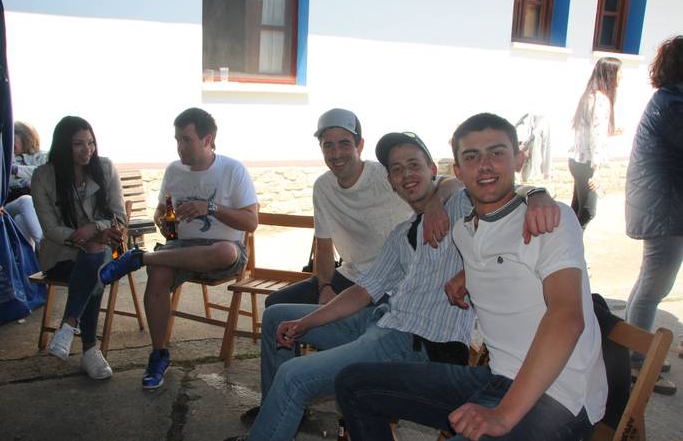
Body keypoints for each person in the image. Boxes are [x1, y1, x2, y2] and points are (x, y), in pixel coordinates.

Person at [224, 131, 561, 441]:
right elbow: (363, 291)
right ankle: (278, 416)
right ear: (391, 182)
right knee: (278, 316)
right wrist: (306, 322)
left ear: (433, 169)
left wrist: (537, 193)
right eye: (397, 169)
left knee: (294, 375)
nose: (406, 174)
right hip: (381, 322)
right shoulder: (402, 234)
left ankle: (273, 422)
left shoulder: (460, 206)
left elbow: (497, 189)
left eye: (414, 165)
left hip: (415, 342)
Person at [336, 113, 607, 441]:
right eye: (472, 157)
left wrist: (503, 416)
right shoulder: (465, 231)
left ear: (519, 159)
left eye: (496, 153)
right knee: (353, 383)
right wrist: (467, 273)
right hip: (498, 377)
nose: (485, 166)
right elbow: (499, 248)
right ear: (459, 171)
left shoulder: (548, 218)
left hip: (560, 395)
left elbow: (567, 317)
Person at [98, 107, 258, 389]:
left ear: (207, 140)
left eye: (186, 140)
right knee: (158, 273)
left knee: (224, 252)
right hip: (180, 247)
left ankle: (140, 257)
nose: (180, 147)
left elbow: (251, 222)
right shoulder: (174, 170)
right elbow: (161, 210)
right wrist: (161, 220)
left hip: (221, 251)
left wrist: (211, 208)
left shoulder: (233, 169)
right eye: (177, 139)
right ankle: (159, 354)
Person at [265, 108, 459, 308]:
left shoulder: (387, 174)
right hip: (351, 275)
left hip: (393, 279)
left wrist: (436, 203)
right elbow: (324, 247)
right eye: (328, 145)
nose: (336, 153)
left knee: (356, 317)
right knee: (275, 302)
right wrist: (325, 287)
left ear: (360, 145)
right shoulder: (323, 187)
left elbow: (454, 183)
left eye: (344, 143)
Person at [31, 116, 125, 379]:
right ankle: (89, 350)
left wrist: (94, 228)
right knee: (95, 265)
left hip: (105, 247)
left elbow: (119, 218)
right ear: (64, 146)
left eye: (91, 143)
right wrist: (80, 236)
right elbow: (50, 229)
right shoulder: (43, 176)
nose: (88, 150)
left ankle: (68, 326)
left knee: (96, 256)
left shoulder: (105, 168)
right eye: (78, 144)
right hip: (61, 253)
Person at [625, 36, 683, 379]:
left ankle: (631, 349)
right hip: (665, 209)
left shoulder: (670, 99)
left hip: (662, 205)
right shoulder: (673, 104)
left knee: (649, 281)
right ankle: (636, 360)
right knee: (655, 286)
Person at [569, 56, 622, 228]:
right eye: (619, 72)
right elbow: (596, 138)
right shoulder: (601, 100)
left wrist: (610, 132)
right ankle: (569, 243)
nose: (621, 76)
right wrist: (596, 172)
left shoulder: (588, 96)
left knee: (577, 209)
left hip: (577, 161)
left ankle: (566, 241)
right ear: (610, 74)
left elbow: (588, 131)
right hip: (587, 164)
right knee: (587, 211)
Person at [5, 121, 46, 247]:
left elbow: (44, 172)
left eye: (13, 138)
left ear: (25, 136)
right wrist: (24, 182)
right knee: (26, 200)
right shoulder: (7, 159)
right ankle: (44, 245)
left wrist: (16, 170)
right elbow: (5, 180)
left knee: (21, 220)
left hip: (40, 210)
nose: (9, 142)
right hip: (11, 206)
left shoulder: (43, 156)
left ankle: (28, 258)